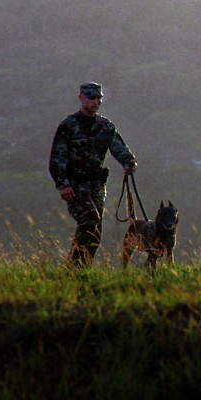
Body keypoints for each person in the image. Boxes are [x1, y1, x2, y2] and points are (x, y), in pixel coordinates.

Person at [49, 82, 138, 268]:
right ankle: (74, 266)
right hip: (75, 184)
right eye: (91, 98)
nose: (95, 102)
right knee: (90, 220)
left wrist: (128, 161)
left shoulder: (106, 127)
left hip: (96, 185)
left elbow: (118, 148)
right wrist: (62, 184)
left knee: (95, 229)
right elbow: (57, 158)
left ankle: (81, 267)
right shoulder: (69, 125)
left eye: (98, 98)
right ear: (81, 99)